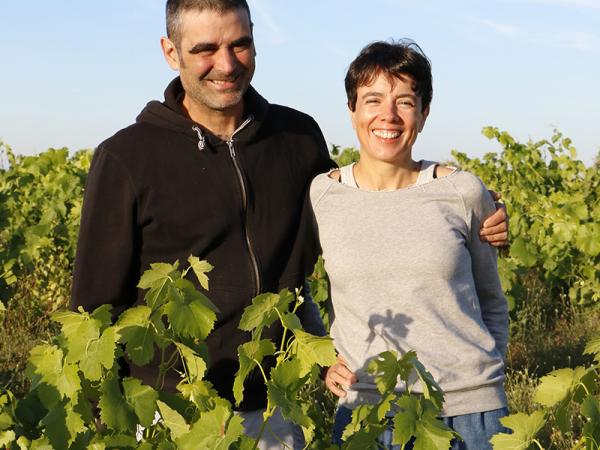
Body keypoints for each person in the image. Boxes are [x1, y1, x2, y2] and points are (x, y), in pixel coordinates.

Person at [71, 1, 509, 447]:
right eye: (205, 49)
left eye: (239, 44)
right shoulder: (126, 157)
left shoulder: (297, 138)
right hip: (173, 411)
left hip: (274, 410)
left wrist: (481, 213)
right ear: (170, 52)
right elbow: (93, 307)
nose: (226, 64)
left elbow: (372, 205)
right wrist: (101, 418)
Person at [312, 40, 509, 449]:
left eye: (405, 101)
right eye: (372, 100)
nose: (388, 115)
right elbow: (298, 287)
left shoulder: (462, 191)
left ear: (423, 113)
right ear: (352, 111)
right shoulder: (322, 197)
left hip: (469, 414)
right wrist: (322, 360)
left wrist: (483, 381)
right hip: (365, 411)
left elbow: (492, 300)